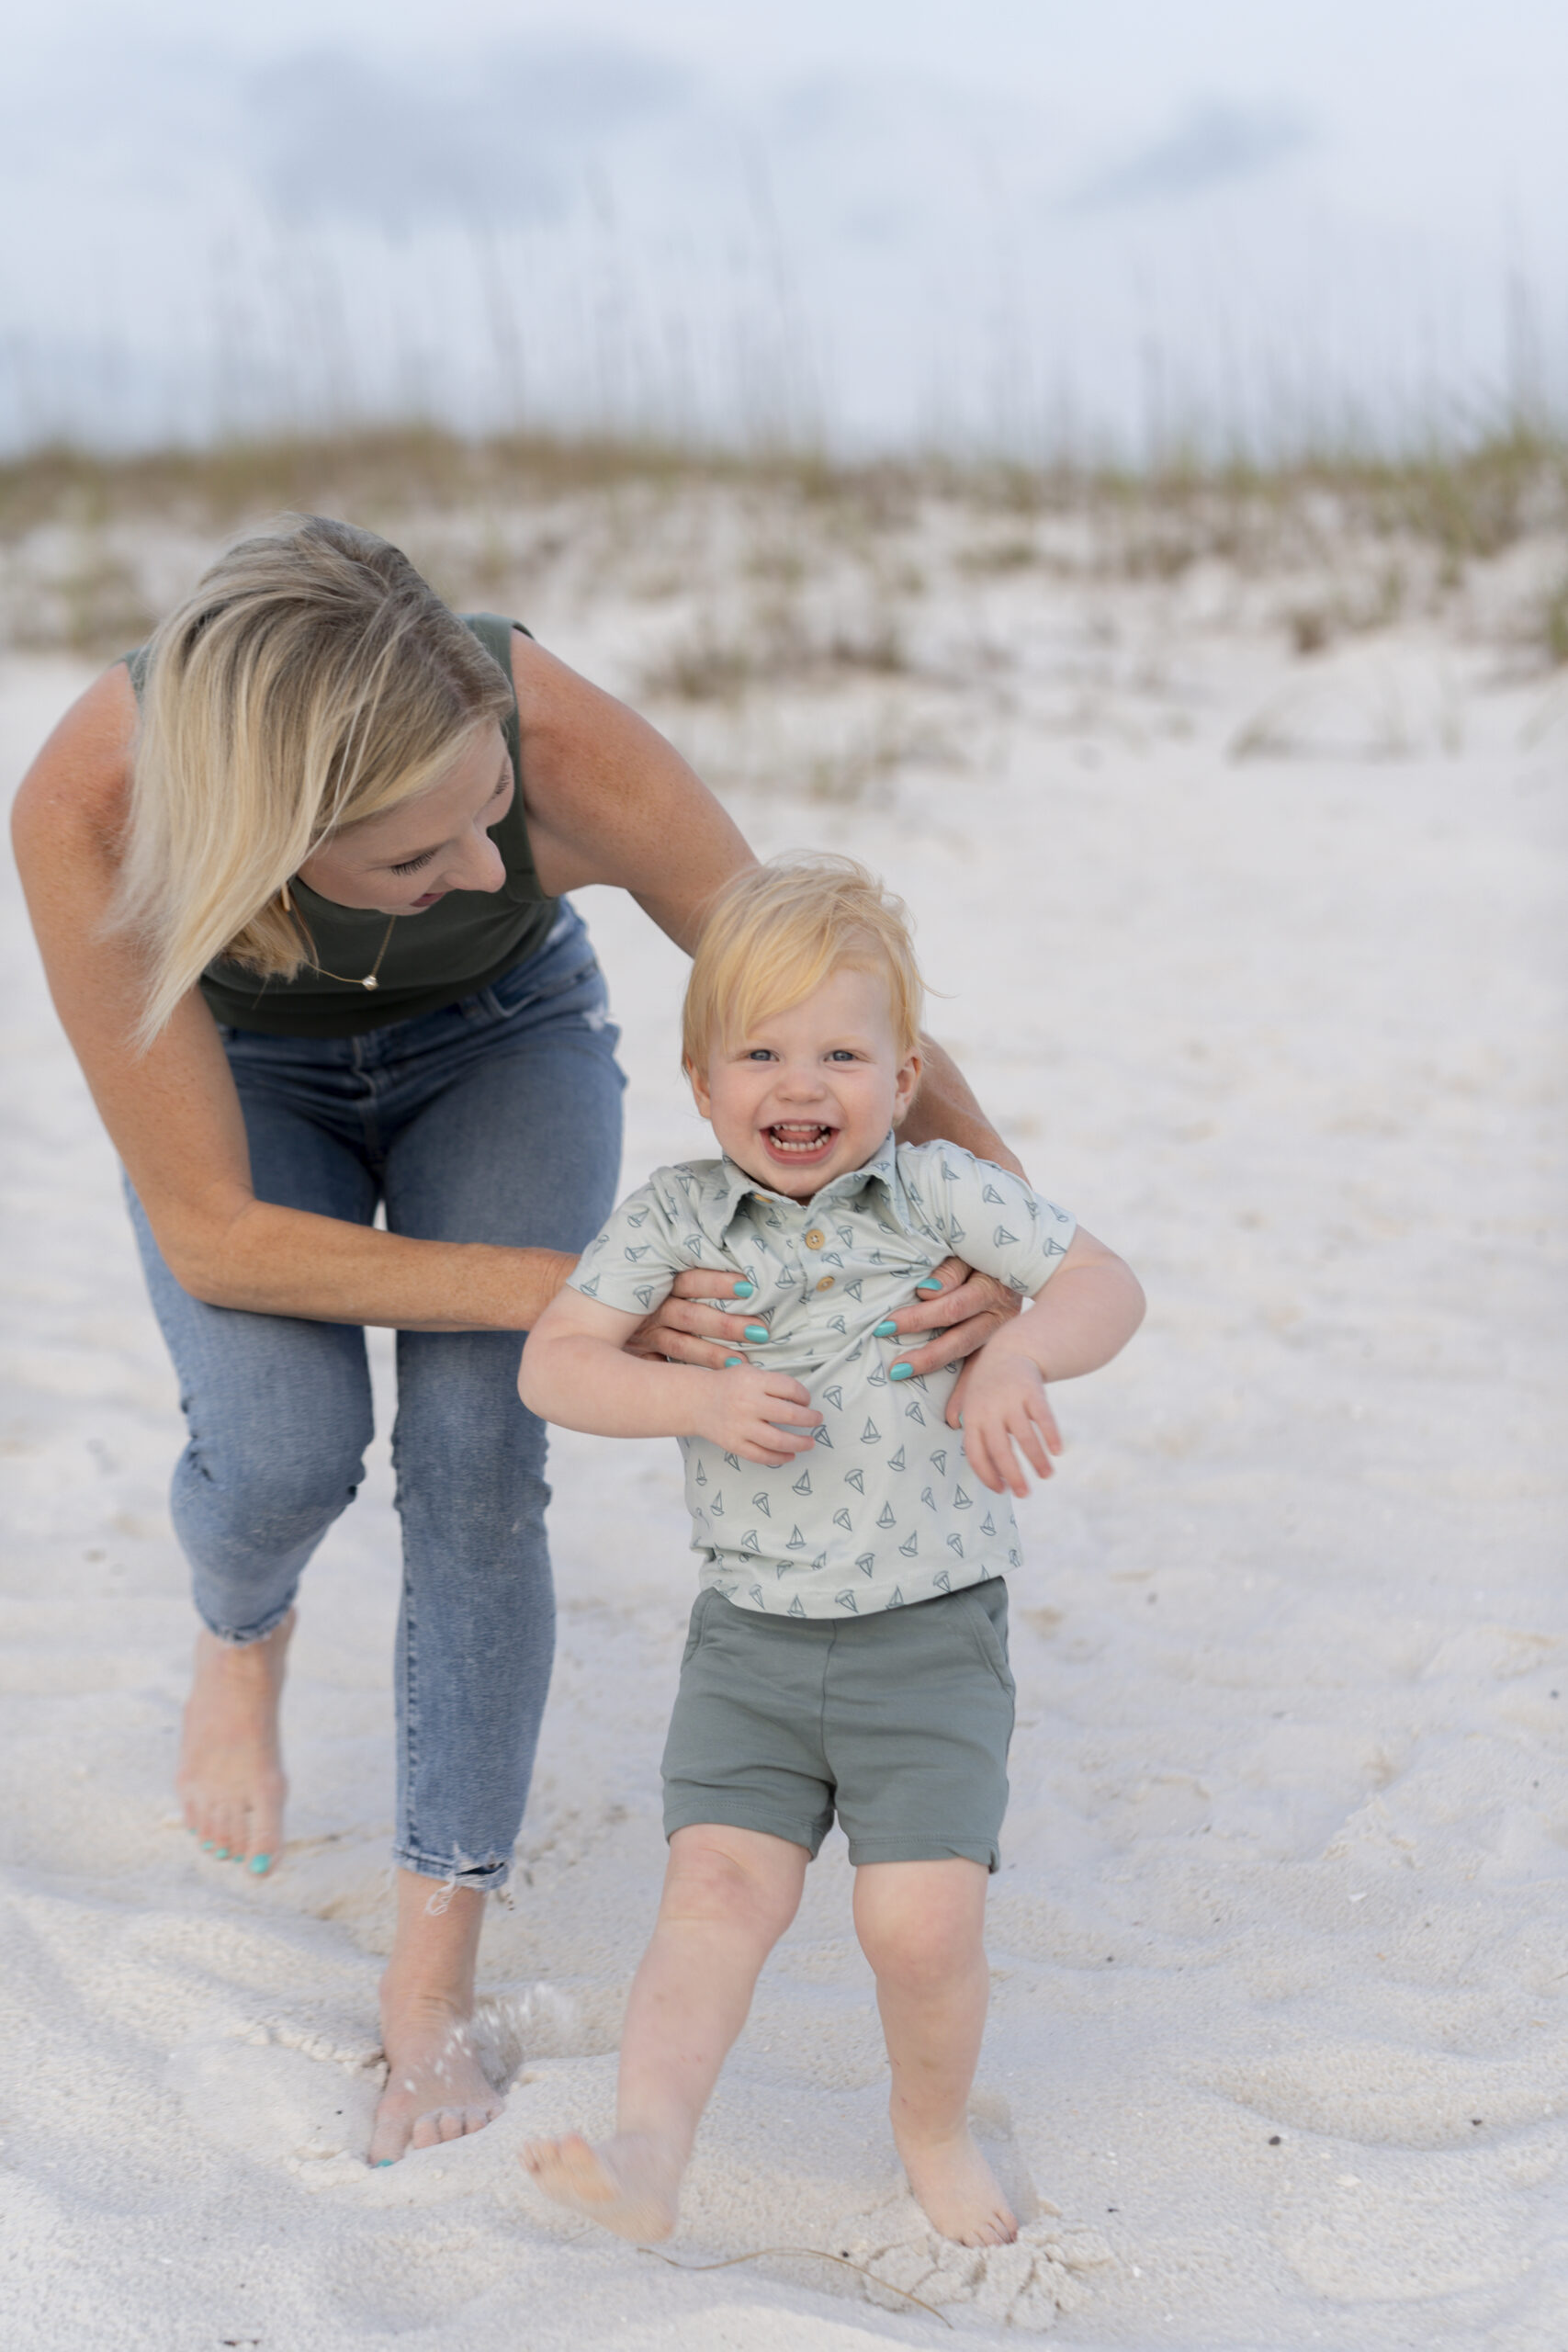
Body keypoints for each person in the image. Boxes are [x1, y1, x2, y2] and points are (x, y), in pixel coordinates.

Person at [11, 517, 1040, 2165]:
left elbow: (823, 993)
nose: (486, 870)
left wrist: (994, 1235)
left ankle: (433, 1974)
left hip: (503, 1044)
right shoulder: (97, 808)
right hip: (245, 1089)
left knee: (483, 1449)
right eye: (421, 859)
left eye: (490, 813)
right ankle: (241, 1624)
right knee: (280, 1454)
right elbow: (214, 1232)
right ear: (272, 835)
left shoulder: (553, 732)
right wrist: (581, 1293)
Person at [516, 856, 1145, 2245]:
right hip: (750, 1644)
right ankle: (649, 2149)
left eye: (842, 1054)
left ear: (905, 1072)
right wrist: (687, 1396)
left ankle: (928, 2126)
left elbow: (1108, 1282)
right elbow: (554, 1366)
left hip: (926, 1639)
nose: (801, 1086)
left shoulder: (937, 1196)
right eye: (761, 1053)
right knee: (714, 1900)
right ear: (698, 1078)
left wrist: (1017, 1356)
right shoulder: (675, 1222)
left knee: (919, 1927)